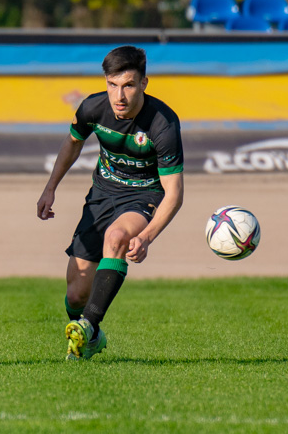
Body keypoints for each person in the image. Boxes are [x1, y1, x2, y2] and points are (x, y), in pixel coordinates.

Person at [36, 46, 184, 360]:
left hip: (144, 196)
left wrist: (145, 237)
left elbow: (174, 194)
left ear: (144, 83)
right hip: (101, 195)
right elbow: (73, 143)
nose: (119, 95)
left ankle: (88, 325)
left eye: (128, 85)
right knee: (76, 293)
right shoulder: (92, 108)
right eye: (113, 85)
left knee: (117, 238)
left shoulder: (163, 125)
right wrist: (50, 188)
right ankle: (92, 337)